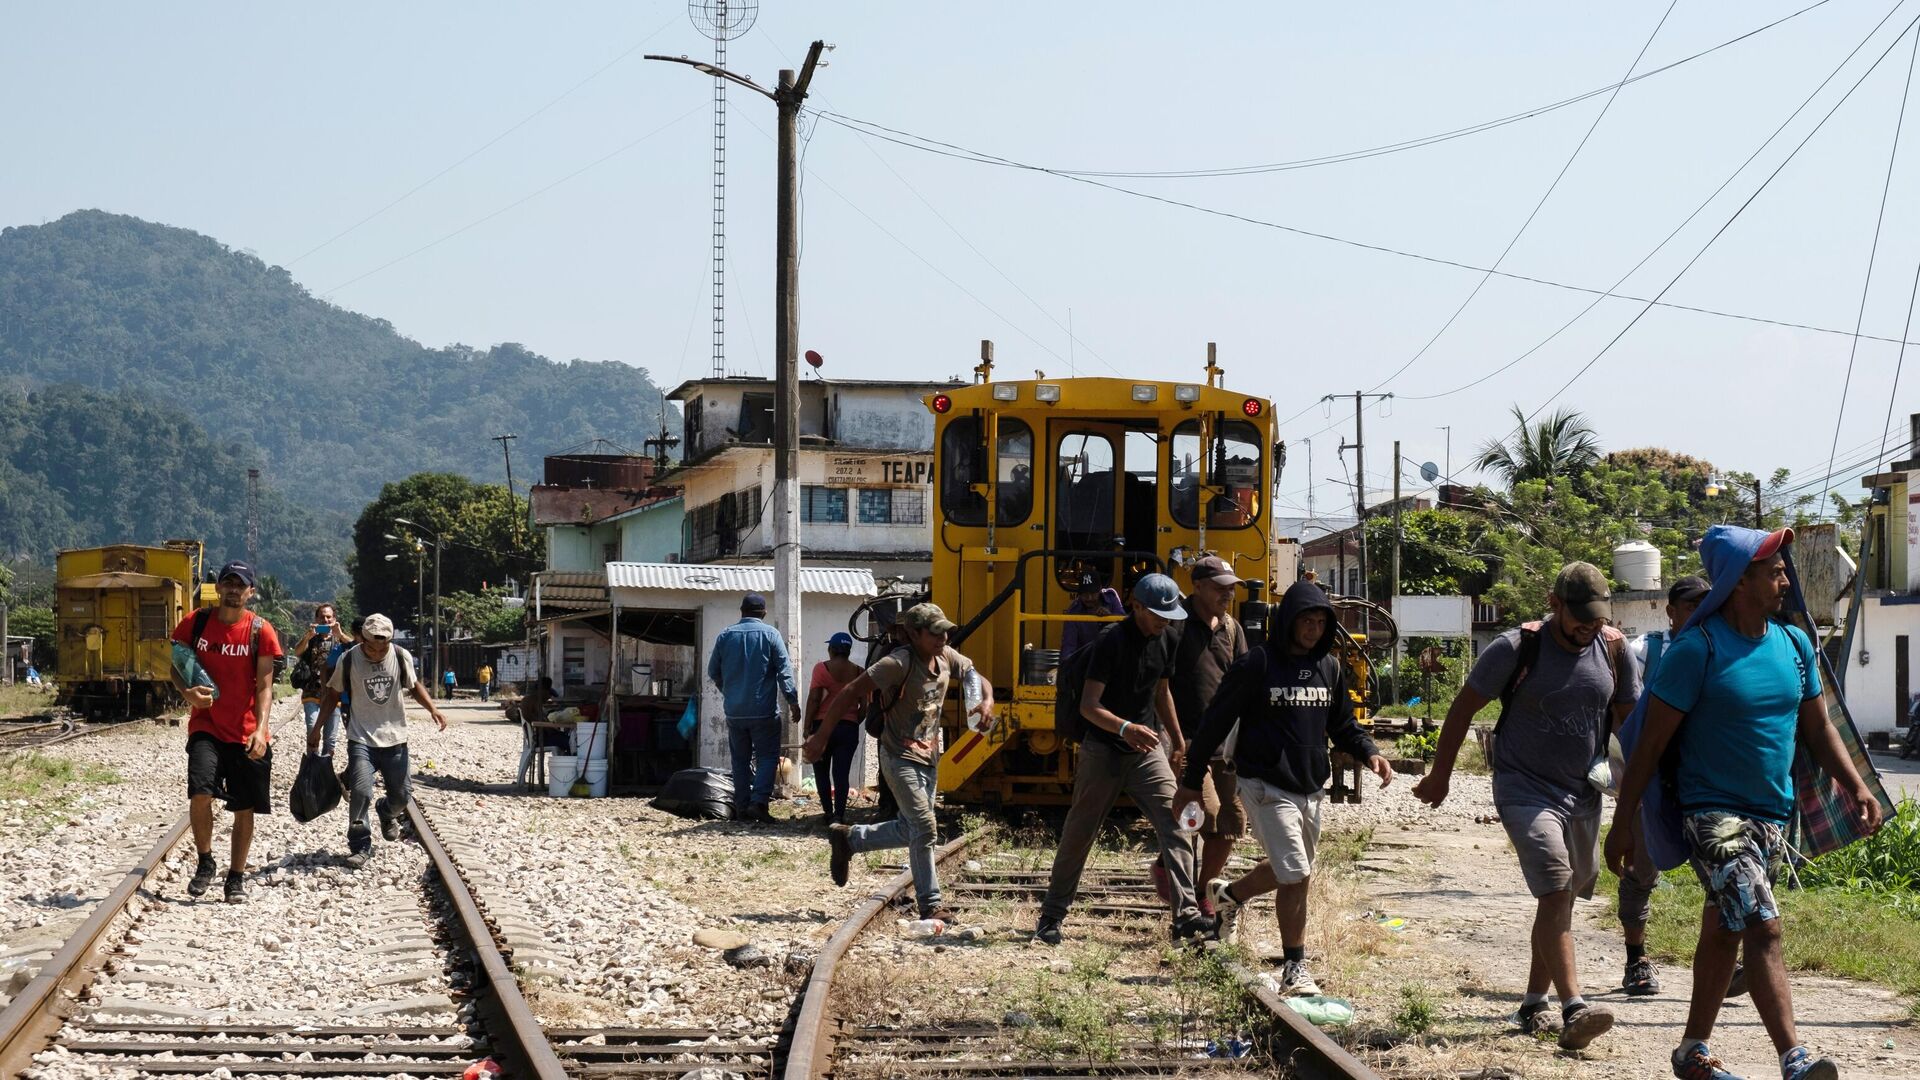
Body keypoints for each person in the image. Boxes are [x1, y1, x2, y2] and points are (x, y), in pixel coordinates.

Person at [1608, 527, 1880, 1080]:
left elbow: (1818, 727)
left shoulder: (1795, 645)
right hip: (1711, 814)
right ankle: (1794, 1058)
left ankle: (1691, 1051)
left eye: (1784, 571)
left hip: (1771, 815)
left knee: (1725, 926)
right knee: (1763, 925)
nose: (1786, 580)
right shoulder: (1697, 650)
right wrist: (1623, 825)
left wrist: (1856, 785)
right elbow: (1650, 745)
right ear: (1738, 583)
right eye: (1775, 572)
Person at [1413, 562, 1639, 1051]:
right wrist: (1440, 775)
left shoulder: (1615, 649)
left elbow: (1629, 725)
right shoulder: (1516, 647)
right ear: (1555, 605)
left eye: (1597, 618)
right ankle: (1574, 1008)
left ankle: (1534, 1001)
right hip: (1523, 787)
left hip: (1582, 793)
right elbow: (1462, 709)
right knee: (1557, 885)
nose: (1589, 626)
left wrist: (1643, 798)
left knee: (1562, 897)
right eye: (1580, 616)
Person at [1178, 579, 1392, 993]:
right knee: (1297, 875)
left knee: (1291, 869)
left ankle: (1230, 896)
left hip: (1310, 787)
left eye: (1319, 622)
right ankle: (1295, 969)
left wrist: (1370, 752)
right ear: (1289, 621)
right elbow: (1214, 725)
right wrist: (1190, 782)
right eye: (1305, 621)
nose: (1312, 629)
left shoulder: (1328, 668)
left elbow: (1343, 724)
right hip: (1264, 784)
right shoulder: (1257, 664)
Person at [1037, 573, 1212, 946]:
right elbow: (1089, 706)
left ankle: (1186, 917)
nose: (1164, 621)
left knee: (1178, 823)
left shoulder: (1167, 637)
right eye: (1157, 614)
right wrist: (1125, 729)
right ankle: (1051, 915)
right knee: (1080, 832)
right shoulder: (1111, 642)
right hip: (1104, 750)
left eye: (1169, 615)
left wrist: (1178, 742)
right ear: (1135, 607)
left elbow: (1162, 692)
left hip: (1147, 752)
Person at [808, 603, 989, 922]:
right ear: (913, 634)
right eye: (935, 632)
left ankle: (849, 839)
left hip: (929, 757)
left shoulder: (946, 657)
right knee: (925, 826)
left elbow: (974, 675)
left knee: (911, 828)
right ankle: (931, 903)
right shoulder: (897, 663)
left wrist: (984, 701)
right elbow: (850, 692)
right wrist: (821, 736)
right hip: (898, 756)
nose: (943, 637)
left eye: (945, 631)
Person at [1617, 575, 1712, 998]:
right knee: (1640, 868)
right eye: (1690, 603)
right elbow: (1622, 710)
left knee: (1719, 872)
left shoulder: (1720, 648)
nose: (1699, 610)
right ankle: (1636, 960)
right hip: (1652, 781)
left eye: (1706, 603)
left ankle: (1723, 963)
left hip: (1704, 781)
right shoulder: (1644, 652)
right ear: (1670, 610)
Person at [168, 561, 282, 905]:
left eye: (240, 584)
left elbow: (264, 685)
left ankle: (236, 876)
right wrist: (186, 693)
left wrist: (262, 730)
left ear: (250, 592)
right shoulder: (197, 622)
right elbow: (176, 665)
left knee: (243, 807)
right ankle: (205, 861)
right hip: (206, 726)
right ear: (217, 588)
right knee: (200, 792)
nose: (233, 589)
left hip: (246, 731)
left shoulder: (261, 630)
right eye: (227, 583)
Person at [313, 613, 446, 868]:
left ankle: (386, 812)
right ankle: (360, 844)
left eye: (381, 645)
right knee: (361, 790)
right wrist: (317, 728)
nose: (375, 651)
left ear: (389, 640)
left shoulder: (399, 656)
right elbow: (332, 695)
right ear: (362, 638)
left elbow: (413, 685)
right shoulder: (349, 658)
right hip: (361, 737)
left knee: (402, 795)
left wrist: (433, 708)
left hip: (395, 737)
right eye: (370, 645)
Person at [1163, 556, 1251, 917]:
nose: (1227, 594)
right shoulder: (1175, 626)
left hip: (1225, 744)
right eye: (1219, 587)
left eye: (1230, 588)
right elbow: (1161, 686)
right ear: (1197, 585)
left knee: (1230, 823)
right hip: (1188, 740)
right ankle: (1184, 889)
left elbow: (1246, 679)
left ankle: (1201, 893)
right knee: (1205, 816)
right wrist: (1174, 740)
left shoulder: (1231, 627)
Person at [707, 593, 800, 822]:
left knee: (739, 760)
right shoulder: (770, 635)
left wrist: (729, 692)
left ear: (741, 611)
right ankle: (759, 803)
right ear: (764, 613)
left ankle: (741, 808)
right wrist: (793, 701)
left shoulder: (726, 635)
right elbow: (784, 671)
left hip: (735, 712)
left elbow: (713, 672)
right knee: (768, 757)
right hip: (764, 712)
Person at [805, 632, 865, 824]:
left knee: (821, 771)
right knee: (841, 773)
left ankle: (827, 813)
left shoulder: (821, 669)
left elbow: (814, 699)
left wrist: (808, 727)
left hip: (822, 727)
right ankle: (839, 814)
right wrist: (853, 720)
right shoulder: (859, 672)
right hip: (848, 729)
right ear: (848, 651)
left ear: (831, 650)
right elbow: (865, 706)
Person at [292, 604, 348, 759]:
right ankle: (312, 764)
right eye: (322, 616)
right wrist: (307, 636)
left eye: (329, 617)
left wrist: (341, 634)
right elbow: (297, 651)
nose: (325, 619)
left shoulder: (339, 640)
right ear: (316, 619)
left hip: (334, 695)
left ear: (334, 619)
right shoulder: (311, 638)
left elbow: (356, 648)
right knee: (312, 728)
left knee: (330, 738)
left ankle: (325, 768)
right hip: (312, 693)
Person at [1060, 574, 1124, 660]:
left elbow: (1125, 628)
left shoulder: (1112, 599)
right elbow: (1068, 646)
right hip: (1087, 661)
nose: (1089, 598)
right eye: (1085, 594)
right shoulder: (1073, 612)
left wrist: (1110, 618)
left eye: (1093, 593)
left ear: (1100, 590)